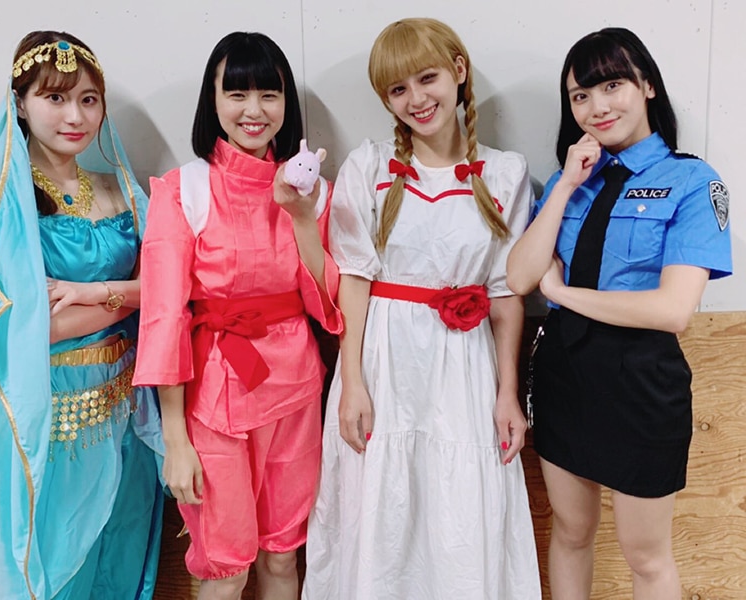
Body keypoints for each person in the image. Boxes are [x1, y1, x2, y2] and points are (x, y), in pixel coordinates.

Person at [303, 18, 541, 600]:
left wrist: (508, 392)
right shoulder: (370, 166)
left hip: (465, 370)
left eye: (427, 78)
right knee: (379, 508)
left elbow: (506, 294)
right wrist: (352, 383)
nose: (416, 99)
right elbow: (354, 278)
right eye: (398, 89)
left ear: (458, 70)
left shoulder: (506, 174)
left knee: (459, 513)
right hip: (384, 365)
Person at [506, 27, 732, 600]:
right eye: (581, 96)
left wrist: (564, 294)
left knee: (645, 554)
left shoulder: (692, 181)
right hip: (564, 374)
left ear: (647, 85)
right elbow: (519, 277)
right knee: (571, 531)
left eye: (612, 86)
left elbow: (673, 310)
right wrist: (564, 186)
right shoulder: (571, 180)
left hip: (641, 383)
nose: (597, 107)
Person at [0, 31, 165, 600]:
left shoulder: (122, 191)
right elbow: (27, 331)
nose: (75, 116)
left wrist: (89, 293)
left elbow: (171, 293)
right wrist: (130, 296)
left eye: (89, 100)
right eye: (55, 98)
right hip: (52, 420)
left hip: (129, 412)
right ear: (20, 104)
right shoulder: (2, 208)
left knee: (121, 554)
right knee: (57, 567)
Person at [132, 31, 342, 600]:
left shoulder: (313, 191)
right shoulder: (184, 190)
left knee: (283, 555)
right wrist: (176, 440)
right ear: (214, 99)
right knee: (225, 569)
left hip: (295, 390)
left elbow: (328, 304)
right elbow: (164, 316)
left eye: (269, 94)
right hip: (213, 396)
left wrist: (302, 216)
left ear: (286, 104)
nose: (254, 110)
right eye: (238, 93)